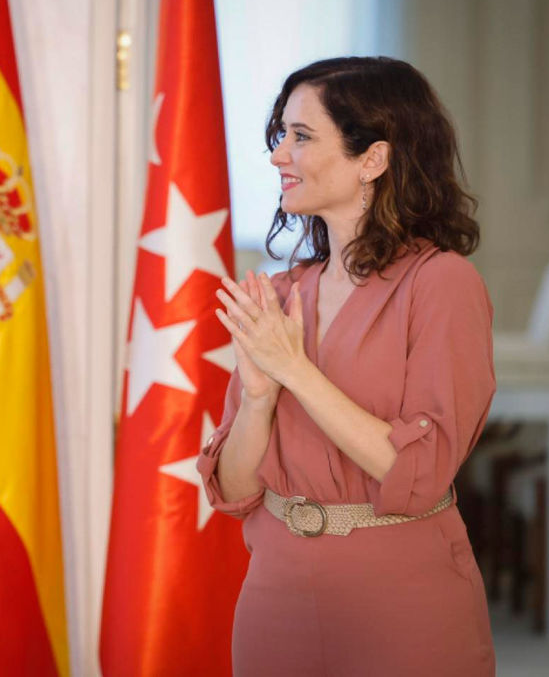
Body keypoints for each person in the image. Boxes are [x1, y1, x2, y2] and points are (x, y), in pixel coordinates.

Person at [196, 56, 495, 676]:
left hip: (402, 601)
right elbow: (234, 488)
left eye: (301, 136)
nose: (279, 154)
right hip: (273, 594)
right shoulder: (281, 293)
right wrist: (258, 398)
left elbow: (420, 473)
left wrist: (296, 373)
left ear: (373, 160)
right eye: (281, 135)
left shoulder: (442, 284)